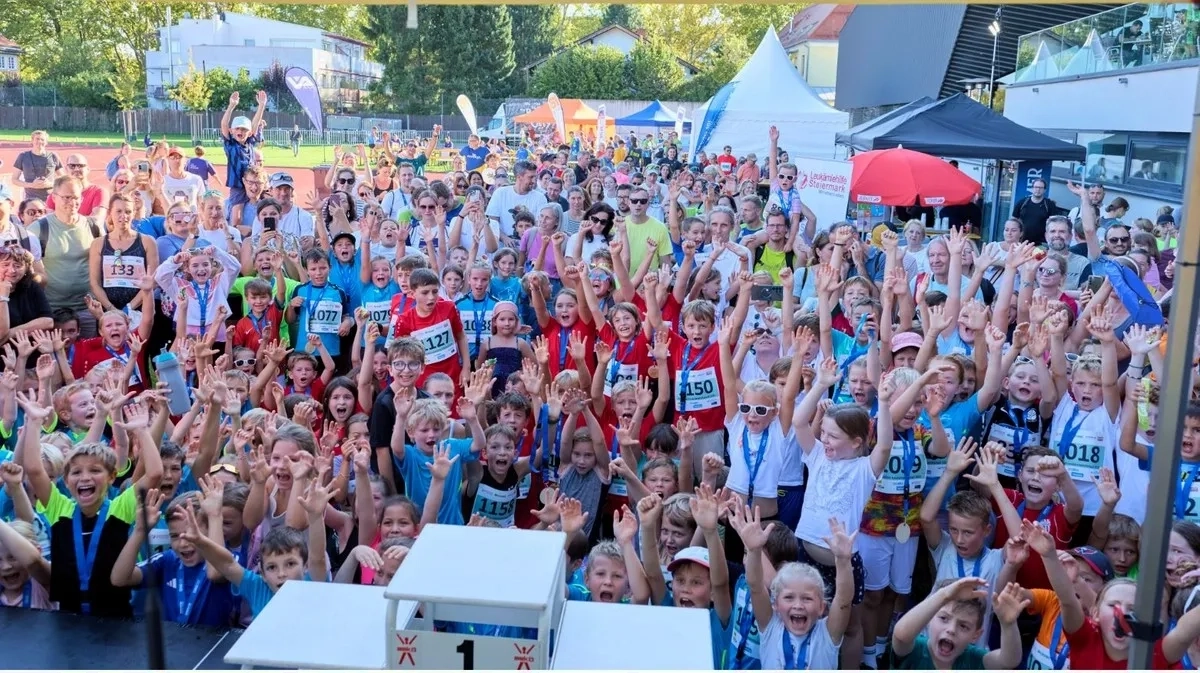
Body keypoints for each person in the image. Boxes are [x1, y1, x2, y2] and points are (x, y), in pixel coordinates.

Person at [11, 130, 62, 202]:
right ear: (32, 141)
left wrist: (50, 184)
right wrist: (31, 185)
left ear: (46, 142)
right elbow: (14, 179)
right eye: (37, 139)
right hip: (30, 200)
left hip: (50, 200)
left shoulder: (53, 156)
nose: (40, 141)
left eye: (42, 139)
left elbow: (63, 178)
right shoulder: (23, 156)